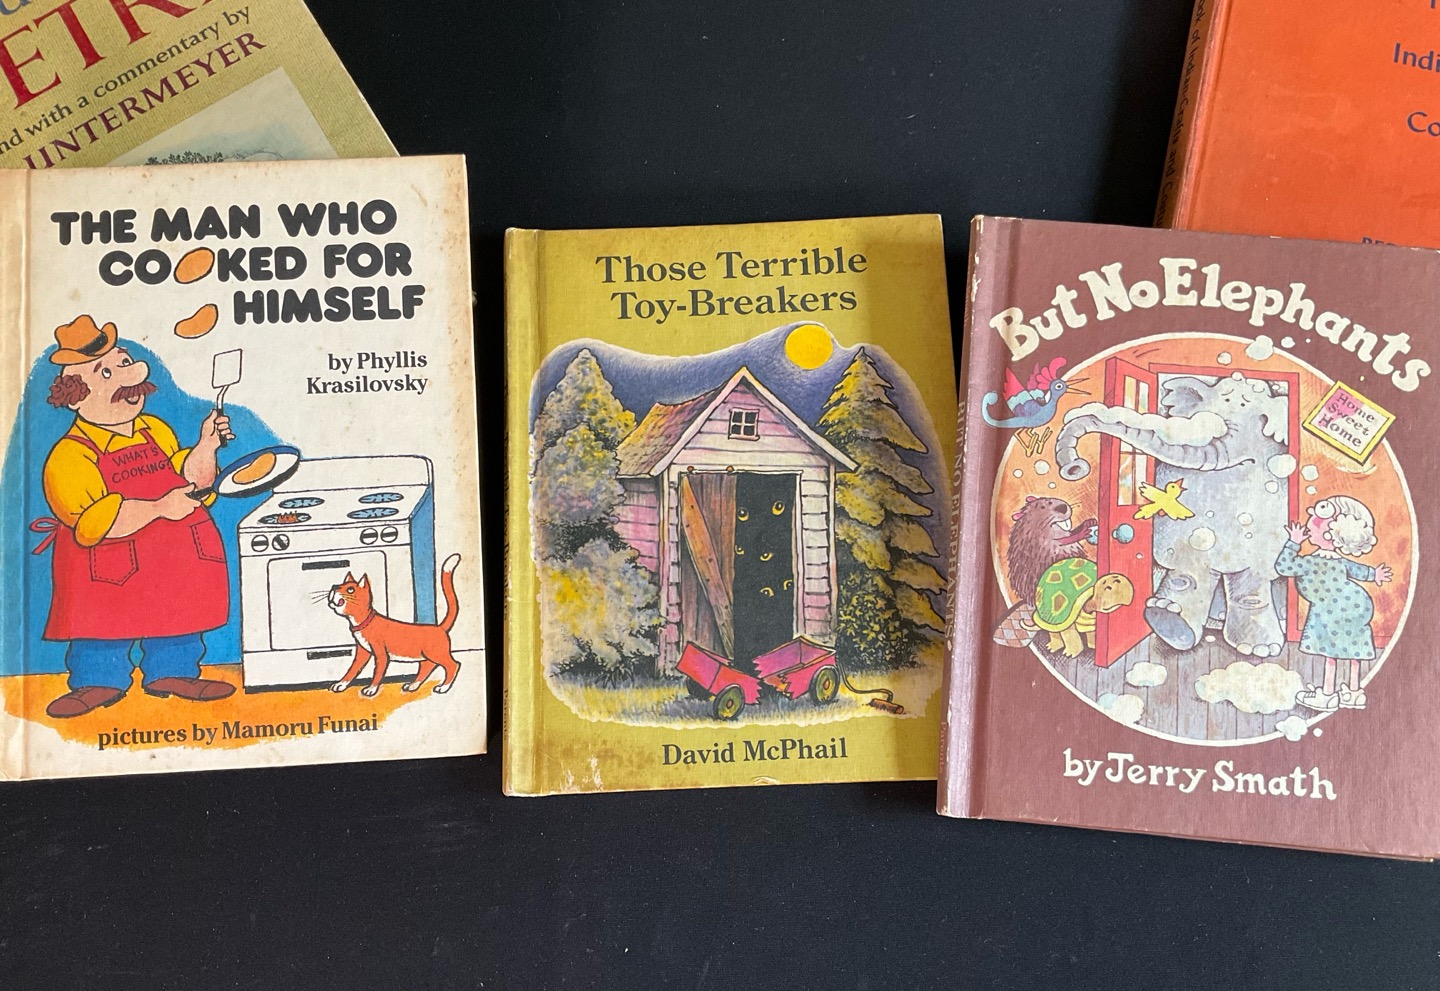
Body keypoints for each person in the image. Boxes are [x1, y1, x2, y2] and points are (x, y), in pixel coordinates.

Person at [36, 315, 236, 718]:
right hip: (108, 565)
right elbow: (93, 523)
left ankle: (174, 672)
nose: (129, 377)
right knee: (101, 625)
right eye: (106, 372)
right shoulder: (69, 455)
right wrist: (160, 508)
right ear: (75, 396)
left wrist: (206, 446)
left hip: (173, 559)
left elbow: (190, 480)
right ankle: (97, 680)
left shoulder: (155, 429)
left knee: (178, 614)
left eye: (124, 361)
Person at [1276, 495, 1392, 712]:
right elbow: (1357, 569)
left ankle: (1327, 695)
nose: (1309, 522)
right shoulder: (1339, 561)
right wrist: (1374, 574)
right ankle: (1354, 693)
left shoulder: (1311, 561)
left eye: (1313, 525)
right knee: (1353, 651)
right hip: (1356, 606)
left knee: (1331, 654)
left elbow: (1283, 567)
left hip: (1330, 611)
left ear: (1328, 534)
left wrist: (1294, 542)